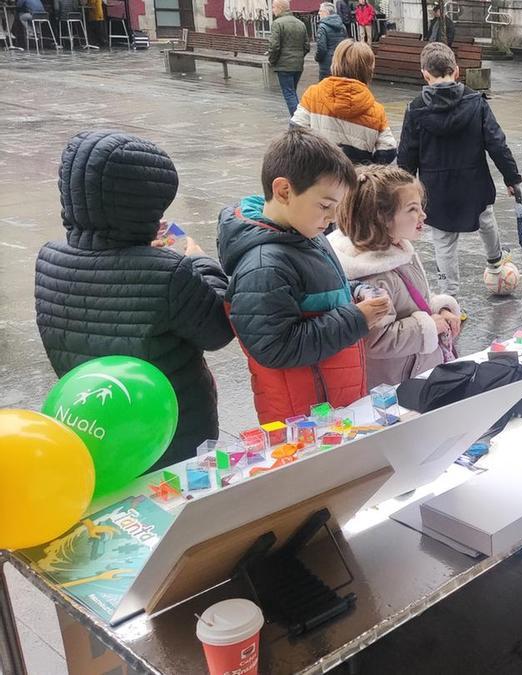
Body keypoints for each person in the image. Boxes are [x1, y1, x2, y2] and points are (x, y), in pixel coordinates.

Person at [35, 130, 234, 469]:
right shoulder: (168, 272)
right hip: (171, 427)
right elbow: (218, 330)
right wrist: (200, 261)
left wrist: (140, 248)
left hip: (92, 420)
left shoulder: (49, 259)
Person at [217, 127, 391, 423]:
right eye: (325, 206)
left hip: (332, 400)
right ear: (284, 191)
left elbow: (322, 287)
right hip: (302, 418)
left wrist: (355, 292)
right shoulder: (264, 265)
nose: (332, 218)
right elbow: (275, 347)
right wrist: (356, 319)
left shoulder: (304, 231)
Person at [397, 42, 522, 297]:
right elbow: (497, 143)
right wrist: (511, 177)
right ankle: (495, 260)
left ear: (425, 74)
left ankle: (449, 298)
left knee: (444, 242)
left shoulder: (416, 108)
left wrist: (404, 193)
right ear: (456, 71)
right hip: (474, 183)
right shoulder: (476, 102)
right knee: (485, 217)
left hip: (436, 189)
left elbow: (407, 154)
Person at [329, 166, 462, 388]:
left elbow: (411, 299)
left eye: (421, 207)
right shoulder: (374, 278)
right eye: (412, 209)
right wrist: (428, 326)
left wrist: (441, 309)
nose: (423, 215)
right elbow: (376, 340)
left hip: (415, 371)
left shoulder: (399, 250)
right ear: (382, 218)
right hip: (396, 386)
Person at [293, 40, 398, 165]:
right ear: (368, 70)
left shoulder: (313, 95)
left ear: (335, 63)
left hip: (319, 172)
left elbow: (295, 132)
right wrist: (370, 168)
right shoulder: (376, 110)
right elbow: (388, 149)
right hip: (356, 175)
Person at [268, 0, 310, 118]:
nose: (272, 10)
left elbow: (274, 46)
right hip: (298, 65)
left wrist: (272, 60)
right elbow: (306, 46)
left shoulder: (277, 23)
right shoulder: (300, 23)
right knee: (292, 92)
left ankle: (298, 120)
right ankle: (299, 117)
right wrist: (299, 57)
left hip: (284, 65)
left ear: (279, 8)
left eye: (273, 7)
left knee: (289, 93)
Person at [314, 2, 348, 80]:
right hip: (340, 60)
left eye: (320, 11)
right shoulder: (342, 26)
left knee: (325, 85)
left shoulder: (322, 27)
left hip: (326, 63)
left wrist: (317, 58)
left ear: (326, 12)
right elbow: (346, 43)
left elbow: (321, 48)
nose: (319, 13)